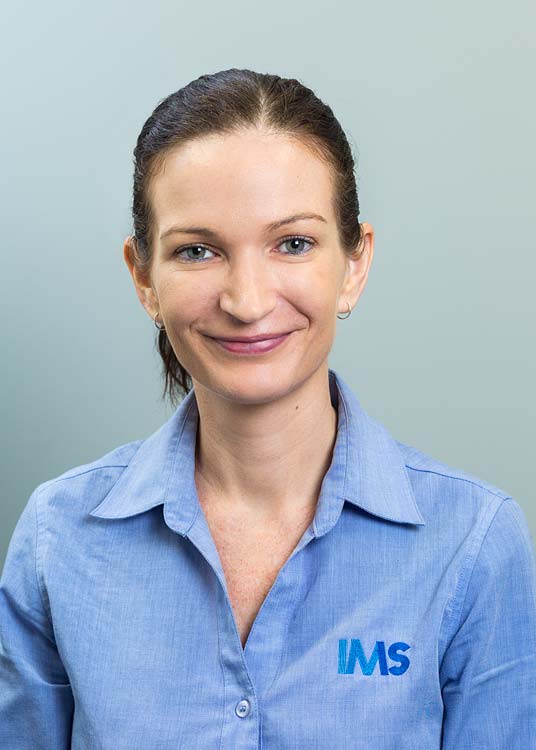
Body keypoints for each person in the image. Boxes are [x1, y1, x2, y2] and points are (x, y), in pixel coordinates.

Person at [1, 68, 535, 749]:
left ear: (354, 263)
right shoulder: (59, 538)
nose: (247, 300)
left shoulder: (474, 542)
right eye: (198, 251)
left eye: (293, 244)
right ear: (144, 279)